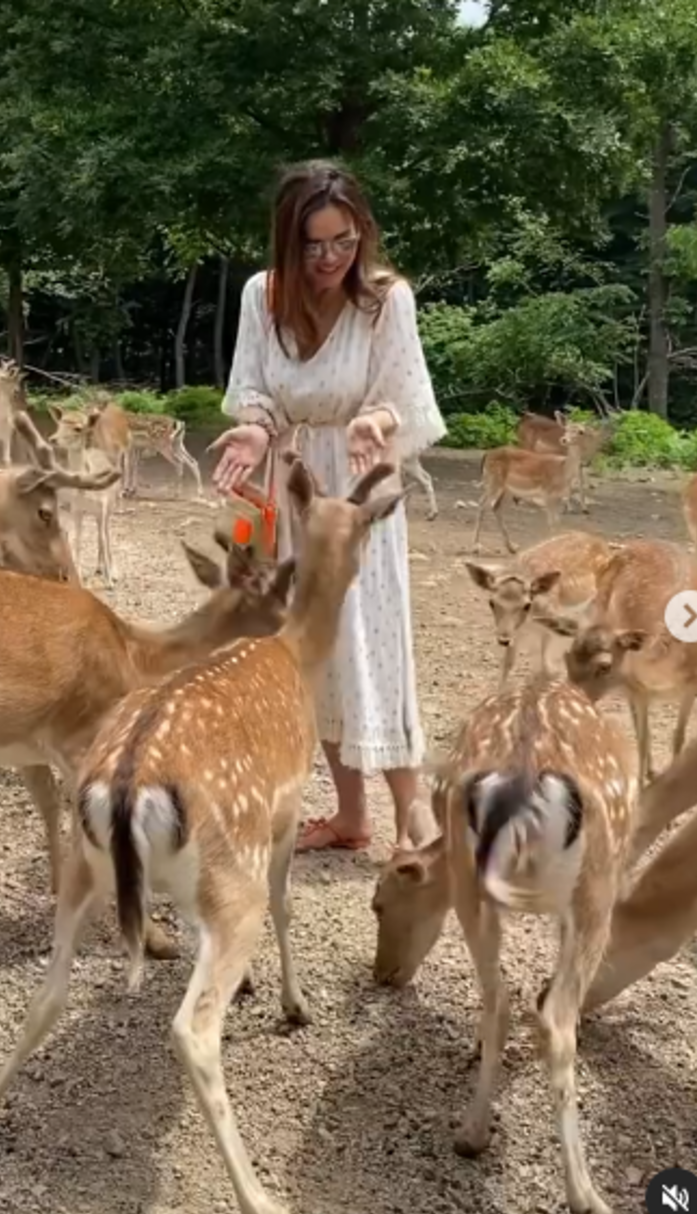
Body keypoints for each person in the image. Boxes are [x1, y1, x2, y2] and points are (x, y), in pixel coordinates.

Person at [210, 158, 446, 853]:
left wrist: (377, 421)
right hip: (290, 485)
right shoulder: (263, 295)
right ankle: (350, 815)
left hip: (358, 486)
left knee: (373, 637)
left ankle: (414, 812)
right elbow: (252, 386)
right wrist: (255, 426)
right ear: (287, 242)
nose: (329, 258)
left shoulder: (384, 300)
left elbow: (402, 400)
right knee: (310, 641)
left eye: (343, 241)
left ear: (361, 234)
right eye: (313, 245)